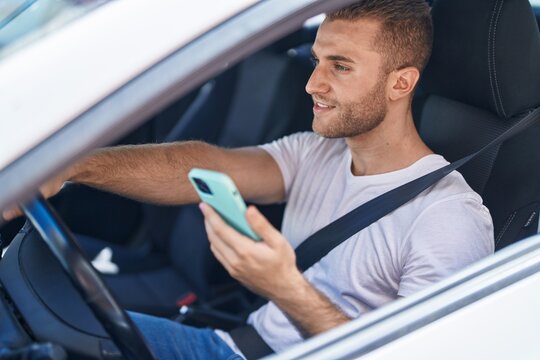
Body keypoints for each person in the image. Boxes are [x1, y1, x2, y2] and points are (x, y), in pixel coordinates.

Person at [3, 1, 494, 358]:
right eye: (316, 60)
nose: (312, 84)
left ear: (400, 83)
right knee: (27, 328)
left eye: (339, 67)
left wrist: (284, 287)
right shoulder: (316, 152)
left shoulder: (447, 218)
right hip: (232, 345)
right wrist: (71, 166)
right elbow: (200, 167)